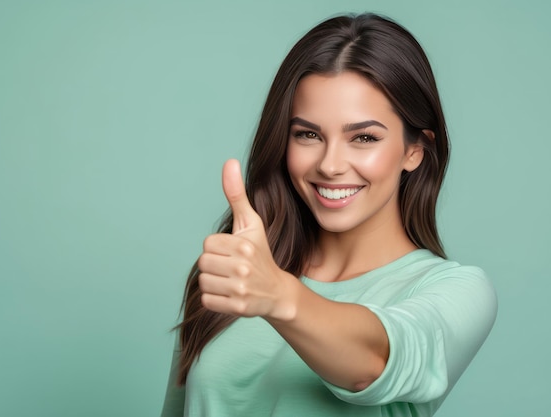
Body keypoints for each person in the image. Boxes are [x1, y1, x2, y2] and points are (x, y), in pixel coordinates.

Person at [160, 12, 497, 417]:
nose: (330, 165)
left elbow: (373, 365)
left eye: (364, 138)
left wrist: (279, 296)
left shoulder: (457, 291)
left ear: (415, 149)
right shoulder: (239, 272)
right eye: (309, 134)